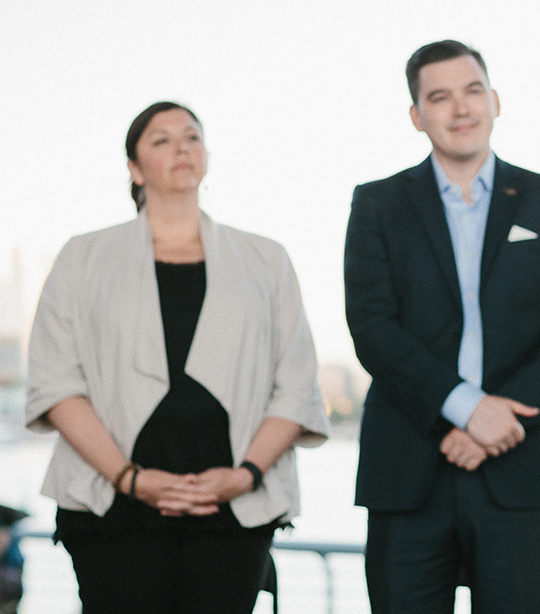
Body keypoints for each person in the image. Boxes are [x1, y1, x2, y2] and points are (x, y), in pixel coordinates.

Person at [25, 101, 330, 614]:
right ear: (134, 167)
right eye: (161, 139)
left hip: (233, 511)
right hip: (112, 509)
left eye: (191, 136)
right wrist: (129, 478)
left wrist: (246, 475)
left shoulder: (267, 259)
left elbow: (296, 384)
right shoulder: (83, 256)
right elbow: (56, 383)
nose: (181, 148)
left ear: (207, 156)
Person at [344, 39, 540, 614]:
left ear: (495, 101)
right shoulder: (377, 203)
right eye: (440, 97)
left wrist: (496, 417)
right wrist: (466, 408)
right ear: (416, 115)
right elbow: (371, 326)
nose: (461, 108)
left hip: (519, 463)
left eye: (473, 90)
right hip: (407, 466)